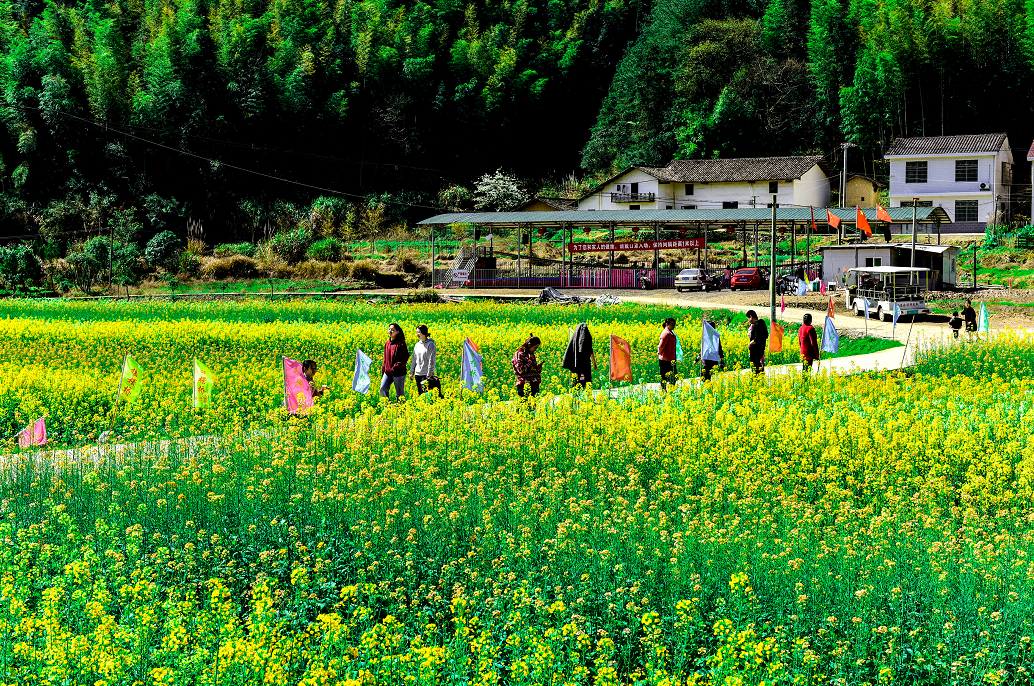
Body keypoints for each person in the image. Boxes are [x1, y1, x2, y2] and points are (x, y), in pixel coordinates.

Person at [562, 322, 597, 388]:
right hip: (585, 363)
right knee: (587, 380)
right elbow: (590, 350)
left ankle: (575, 394)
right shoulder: (587, 337)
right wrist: (594, 362)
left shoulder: (574, 338)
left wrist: (594, 363)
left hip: (575, 362)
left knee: (576, 380)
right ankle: (588, 394)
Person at [411, 324, 441, 397]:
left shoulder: (430, 344)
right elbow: (414, 359)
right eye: (417, 332)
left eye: (419, 332)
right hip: (418, 374)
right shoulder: (417, 345)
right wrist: (412, 372)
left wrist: (430, 372)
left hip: (426, 374)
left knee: (425, 394)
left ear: (424, 332)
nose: (417, 334)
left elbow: (432, 359)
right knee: (420, 394)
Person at [381, 322, 409, 400]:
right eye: (389, 329)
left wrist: (396, 367)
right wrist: (384, 368)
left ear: (397, 332)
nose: (390, 331)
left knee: (399, 393)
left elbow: (405, 357)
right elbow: (385, 358)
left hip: (398, 373)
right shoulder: (387, 343)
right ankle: (387, 407)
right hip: (388, 372)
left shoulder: (401, 344)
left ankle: (401, 409)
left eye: (393, 330)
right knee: (383, 388)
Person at [658, 317, 678, 392]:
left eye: (674, 324)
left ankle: (671, 390)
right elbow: (661, 346)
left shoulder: (671, 333)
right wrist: (659, 353)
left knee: (674, 376)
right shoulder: (665, 334)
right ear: (667, 324)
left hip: (672, 359)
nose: (674, 326)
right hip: (665, 359)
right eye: (672, 324)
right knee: (664, 377)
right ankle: (664, 391)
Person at [746, 310, 768, 375]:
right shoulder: (763, 323)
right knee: (759, 367)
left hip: (755, 351)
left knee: (756, 368)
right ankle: (760, 379)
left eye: (748, 319)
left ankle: (757, 380)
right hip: (761, 349)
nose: (748, 321)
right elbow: (766, 335)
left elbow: (756, 338)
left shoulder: (757, 325)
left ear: (751, 317)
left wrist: (750, 343)